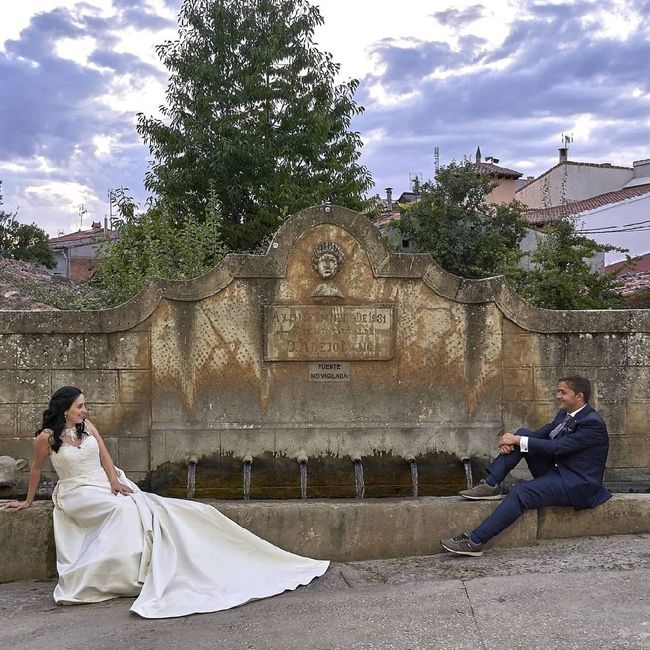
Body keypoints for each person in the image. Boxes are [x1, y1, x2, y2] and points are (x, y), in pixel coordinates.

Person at [3, 386, 328, 618]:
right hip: (76, 493)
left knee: (154, 507)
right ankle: (129, 573)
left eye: (85, 406)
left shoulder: (88, 427)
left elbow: (103, 454)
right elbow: (35, 470)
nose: (85, 411)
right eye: (80, 407)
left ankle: (152, 563)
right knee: (121, 509)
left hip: (104, 482)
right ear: (64, 409)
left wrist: (115, 479)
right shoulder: (46, 438)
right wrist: (29, 502)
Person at [440, 375, 611, 556]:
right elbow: (541, 435)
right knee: (523, 435)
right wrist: (513, 441)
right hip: (558, 471)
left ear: (579, 397)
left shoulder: (592, 423)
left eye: (563, 392)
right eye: (558, 391)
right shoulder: (564, 414)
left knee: (521, 491)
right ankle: (490, 484)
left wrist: (517, 440)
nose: (558, 396)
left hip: (577, 484)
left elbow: (557, 447)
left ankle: (474, 541)